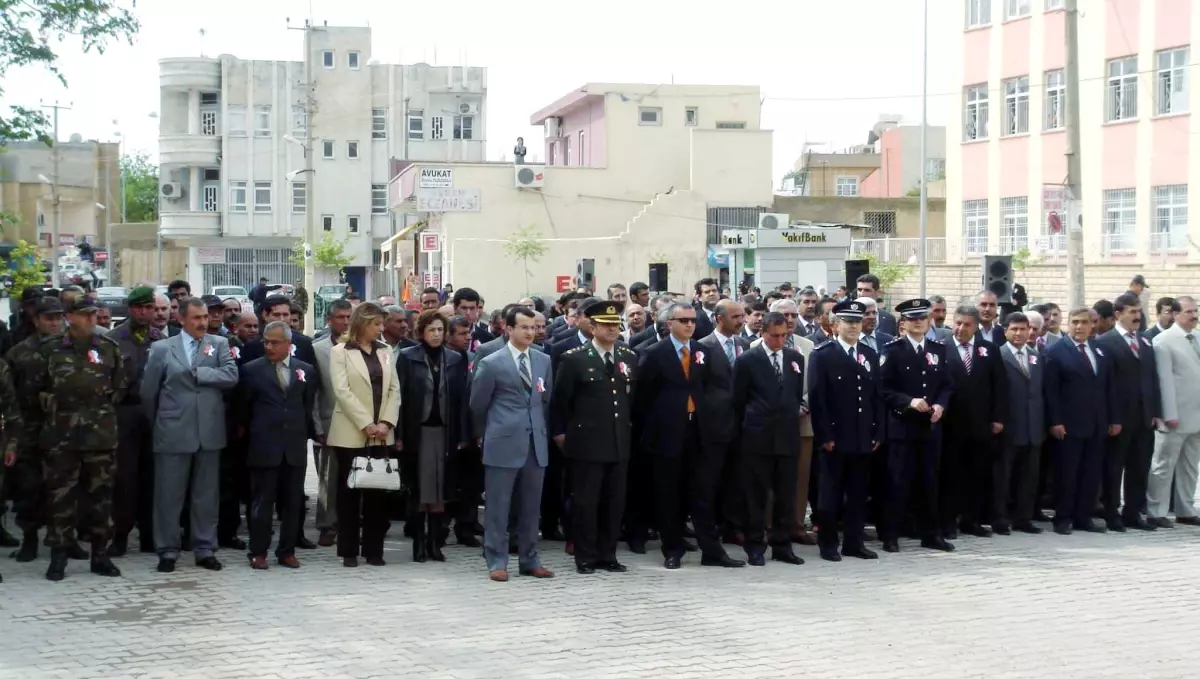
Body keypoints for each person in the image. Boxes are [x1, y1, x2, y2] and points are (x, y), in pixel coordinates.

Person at [141, 296, 240, 573]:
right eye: (196, 318)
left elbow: (231, 376)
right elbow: (149, 393)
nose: (202, 322)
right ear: (181, 319)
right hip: (172, 431)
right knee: (168, 495)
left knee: (206, 496)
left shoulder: (218, 344)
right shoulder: (162, 348)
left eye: (205, 317)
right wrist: (160, 423)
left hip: (208, 431)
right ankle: (168, 550)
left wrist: (201, 373)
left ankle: (205, 548)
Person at [31, 297, 124, 581]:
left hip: (100, 438)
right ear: (70, 317)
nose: (92, 319)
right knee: (60, 500)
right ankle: (59, 555)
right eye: (85, 315)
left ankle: (100, 555)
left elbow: (120, 386)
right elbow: (33, 390)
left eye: (94, 314)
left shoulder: (108, 348)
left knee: (101, 501)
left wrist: (98, 410)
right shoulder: (50, 350)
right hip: (62, 439)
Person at [553, 301, 638, 574]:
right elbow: (560, 402)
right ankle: (585, 555)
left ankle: (608, 554)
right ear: (593, 327)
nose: (612, 329)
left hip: (618, 442)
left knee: (614, 503)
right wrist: (561, 434)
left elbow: (630, 400)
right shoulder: (575, 358)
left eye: (615, 325)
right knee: (586, 503)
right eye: (606, 325)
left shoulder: (628, 356)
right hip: (587, 443)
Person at [470, 306, 554, 581]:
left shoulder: (543, 360)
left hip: (534, 443)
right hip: (503, 442)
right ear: (508, 329)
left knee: (532, 507)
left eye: (533, 327)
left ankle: (530, 559)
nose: (531, 332)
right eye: (524, 327)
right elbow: (478, 403)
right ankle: (496, 560)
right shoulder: (492, 362)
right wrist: (489, 433)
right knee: (498, 506)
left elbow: (544, 399)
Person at [636, 301, 712, 569]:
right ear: (670, 324)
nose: (690, 324)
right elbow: (642, 397)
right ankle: (673, 549)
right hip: (666, 435)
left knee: (700, 492)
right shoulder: (654, 353)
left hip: (696, 432)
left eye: (692, 320)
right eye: (684, 321)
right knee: (669, 495)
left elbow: (707, 389)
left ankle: (711, 550)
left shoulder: (703, 351)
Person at [236, 321, 317, 569]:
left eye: (275, 342)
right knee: (262, 503)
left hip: (294, 448)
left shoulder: (305, 371)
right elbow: (243, 410)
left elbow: (307, 406)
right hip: (264, 446)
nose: (269, 346)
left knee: (293, 503)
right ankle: (258, 551)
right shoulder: (251, 370)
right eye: (266, 341)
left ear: (289, 344)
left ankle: (287, 551)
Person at [327, 302, 401, 567]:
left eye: (383, 324)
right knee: (349, 492)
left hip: (381, 433)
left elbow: (394, 389)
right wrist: (365, 423)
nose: (381, 329)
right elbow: (342, 390)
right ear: (362, 323)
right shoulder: (340, 352)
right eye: (376, 324)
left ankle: (374, 550)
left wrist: (386, 422)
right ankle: (348, 550)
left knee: (377, 492)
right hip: (351, 431)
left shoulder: (386, 351)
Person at [732, 311, 808, 566]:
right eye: (774, 336)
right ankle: (755, 545)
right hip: (757, 438)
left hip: (787, 436)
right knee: (756, 495)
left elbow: (795, 395)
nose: (779, 341)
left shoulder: (795, 358)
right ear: (763, 333)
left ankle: (782, 544)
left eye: (784, 336)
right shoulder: (748, 360)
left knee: (786, 494)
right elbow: (738, 400)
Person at [807, 299, 881, 562]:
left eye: (857, 322)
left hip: (863, 436)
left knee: (859, 494)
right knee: (830, 494)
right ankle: (828, 543)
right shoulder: (823, 354)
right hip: (836, 437)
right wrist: (825, 435)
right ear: (835, 324)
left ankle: (854, 542)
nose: (853, 327)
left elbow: (876, 397)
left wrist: (877, 432)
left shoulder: (870, 354)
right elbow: (818, 400)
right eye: (848, 322)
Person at [879, 299, 953, 553]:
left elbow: (946, 384)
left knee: (930, 482)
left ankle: (931, 534)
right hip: (902, 427)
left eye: (923, 317)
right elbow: (883, 388)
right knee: (898, 482)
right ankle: (891, 535)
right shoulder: (893, 350)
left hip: (930, 428)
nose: (919, 322)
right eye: (913, 318)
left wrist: (941, 405)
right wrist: (908, 401)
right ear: (904, 323)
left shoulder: (937, 349)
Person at [397, 311, 469, 563]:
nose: (436, 334)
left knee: (442, 489)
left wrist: (463, 433)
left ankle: (436, 543)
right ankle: (418, 543)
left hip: (446, 432)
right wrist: (399, 434)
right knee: (420, 489)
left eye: (440, 329)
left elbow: (462, 399)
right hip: (419, 432)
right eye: (431, 330)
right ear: (421, 332)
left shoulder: (455, 358)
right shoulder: (408, 357)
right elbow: (401, 399)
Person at [1043, 307, 1121, 535]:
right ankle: (1063, 517)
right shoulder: (1056, 352)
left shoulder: (1100, 351)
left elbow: (1109, 388)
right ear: (1068, 323)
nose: (1079, 326)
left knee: (1091, 473)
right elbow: (1051, 392)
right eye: (1075, 322)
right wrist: (1055, 421)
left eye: (1085, 322)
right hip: (1069, 425)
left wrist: (1114, 418)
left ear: (1092, 325)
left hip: (1097, 424)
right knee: (1067, 474)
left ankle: (1083, 517)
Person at [5, 297, 67, 562]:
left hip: (65, 431)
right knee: (28, 489)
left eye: (58, 317)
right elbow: (9, 395)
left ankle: (66, 540)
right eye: (48, 318)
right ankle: (30, 539)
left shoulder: (71, 349)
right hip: (30, 430)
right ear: (36, 320)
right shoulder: (19, 353)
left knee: (65, 489)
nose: (54, 323)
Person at [105, 286, 164, 557]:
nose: (145, 312)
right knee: (125, 479)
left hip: (154, 416)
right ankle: (120, 534)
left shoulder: (160, 340)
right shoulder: (114, 339)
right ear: (130, 309)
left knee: (153, 476)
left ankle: (150, 534)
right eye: (139, 307)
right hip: (125, 414)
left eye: (149, 307)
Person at [1095, 293, 1161, 532]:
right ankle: (1112, 513)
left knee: (1139, 467)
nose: (1137, 316)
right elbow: (1105, 385)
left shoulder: (1144, 341)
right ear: (1117, 314)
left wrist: (1155, 411)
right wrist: (1111, 417)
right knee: (1114, 468)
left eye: (1139, 312)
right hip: (1119, 419)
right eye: (1132, 312)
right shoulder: (1105, 342)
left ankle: (1133, 513)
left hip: (1144, 418)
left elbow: (1152, 379)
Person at [940, 304, 1005, 539]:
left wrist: (998, 417)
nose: (961, 328)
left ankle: (972, 520)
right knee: (950, 475)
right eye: (957, 323)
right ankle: (948, 521)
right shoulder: (941, 348)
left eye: (967, 324)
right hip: (951, 425)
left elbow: (999, 385)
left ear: (976, 327)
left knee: (977, 475)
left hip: (980, 425)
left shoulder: (989, 350)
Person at [694, 300, 749, 567]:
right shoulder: (702, 347)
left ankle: (731, 529)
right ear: (719, 318)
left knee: (734, 486)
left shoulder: (744, 346)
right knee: (707, 490)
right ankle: (710, 546)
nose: (742, 320)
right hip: (711, 433)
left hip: (740, 431)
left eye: (743, 315)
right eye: (736, 316)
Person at [1147, 296, 1200, 527]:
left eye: (1196, 311)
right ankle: (1156, 510)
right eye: (1189, 311)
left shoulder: (1197, 337)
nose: (1194, 316)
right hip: (1175, 416)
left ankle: (1185, 509)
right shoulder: (1163, 341)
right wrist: (1169, 414)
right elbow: (1164, 380)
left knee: (1190, 466)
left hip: (1196, 414)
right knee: (1163, 465)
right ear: (1176, 314)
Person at [994, 313, 1046, 534]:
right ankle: (1000, 518)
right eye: (1014, 329)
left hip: (1033, 426)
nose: (1019, 333)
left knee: (1029, 476)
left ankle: (1023, 518)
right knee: (1003, 476)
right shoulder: (998, 355)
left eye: (1023, 329)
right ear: (1005, 331)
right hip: (1009, 426)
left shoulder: (1036, 356)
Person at [311, 299, 352, 547]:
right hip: (328, 422)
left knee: (355, 477)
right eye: (340, 317)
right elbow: (315, 393)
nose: (345, 322)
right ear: (329, 320)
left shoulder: (362, 347)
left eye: (349, 317)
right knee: (328, 478)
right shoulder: (318, 350)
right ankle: (327, 525)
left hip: (358, 424)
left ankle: (350, 523)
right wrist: (317, 426)